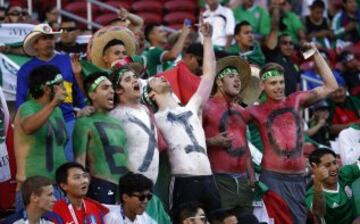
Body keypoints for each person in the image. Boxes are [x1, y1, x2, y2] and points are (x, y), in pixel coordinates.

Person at [246, 43, 338, 224]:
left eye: (281, 82)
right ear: (262, 85)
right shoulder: (255, 111)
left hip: (297, 177)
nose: (279, 86)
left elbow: (331, 86)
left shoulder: (296, 100)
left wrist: (315, 53)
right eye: (273, 83)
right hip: (271, 177)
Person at [142, 22, 221, 214]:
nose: (161, 77)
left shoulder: (192, 107)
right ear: (150, 95)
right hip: (183, 181)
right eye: (155, 79)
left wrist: (208, 39)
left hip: (209, 178)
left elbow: (209, 75)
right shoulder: (155, 119)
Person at [17, 23, 85, 162]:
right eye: (44, 38)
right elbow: (21, 99)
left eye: (51, 38)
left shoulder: (69, 61)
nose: (49, 41)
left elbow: (78, 92)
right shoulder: (25, 69)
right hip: (41, 122)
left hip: (68, 119)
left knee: (68, 163)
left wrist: (82, 109)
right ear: (35, 44)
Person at [203, 56, 255, 215]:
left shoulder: (242, 111)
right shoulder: (206, 106)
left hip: (243, 180)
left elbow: (244, 144)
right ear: (219, 82)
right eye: (231, 77)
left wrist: (251, 172)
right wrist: (212, 141)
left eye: (238, 78)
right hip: (219, 179)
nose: (237, 80)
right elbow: (189, 140)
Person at [14, 65, 67, 204]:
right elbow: (28, 127)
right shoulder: (27, 107)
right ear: (47, 89)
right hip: (33, 188)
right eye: (59, 84)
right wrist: (53, 103)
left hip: (58, 187)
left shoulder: (57, 110)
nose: (64, 87)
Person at [73, 72, 128, 204]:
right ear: (92, 95)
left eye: (111, 87)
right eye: (105, 88)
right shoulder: (84, 122)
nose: (111, 91)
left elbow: (125, 158)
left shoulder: (118, 123)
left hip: (124, 188)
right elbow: (79, 161)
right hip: (100, 186)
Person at [306, 148, 360, 224]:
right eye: (327, 165)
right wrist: (317, 182)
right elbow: (318, 212)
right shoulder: (312, 194)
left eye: (334, 163)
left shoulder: (344, 174)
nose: (334, 168)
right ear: (315, 168)